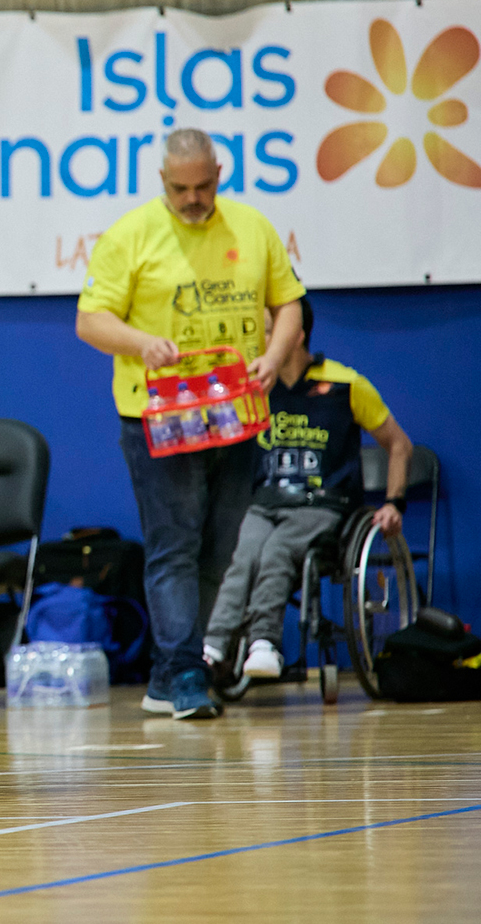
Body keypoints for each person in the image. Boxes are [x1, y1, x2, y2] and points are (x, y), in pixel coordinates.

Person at [76, 128, 305, 720]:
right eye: (181, 189)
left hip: (236, 412)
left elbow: (288, 305)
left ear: (219, 175)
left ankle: (174, 672)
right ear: (162, 181)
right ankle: (184, 672)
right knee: (174, 546)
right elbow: (90, 320)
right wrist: (141, 342)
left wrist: (274, 357)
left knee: (221, 549)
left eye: (203, 186)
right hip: (160, 417)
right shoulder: (131, 234)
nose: (193, 198)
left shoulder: (252, 227)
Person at [204, 297, 413, 679]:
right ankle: (213, 648)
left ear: (295, 334)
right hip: (267, 502)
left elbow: (399, 445)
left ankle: (264, 642)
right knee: (243, 555)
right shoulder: (254, 387)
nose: (260, 341)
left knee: (276, 552)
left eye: (269, 332)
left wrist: (394, 502)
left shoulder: (346, 385)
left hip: (323, 504)